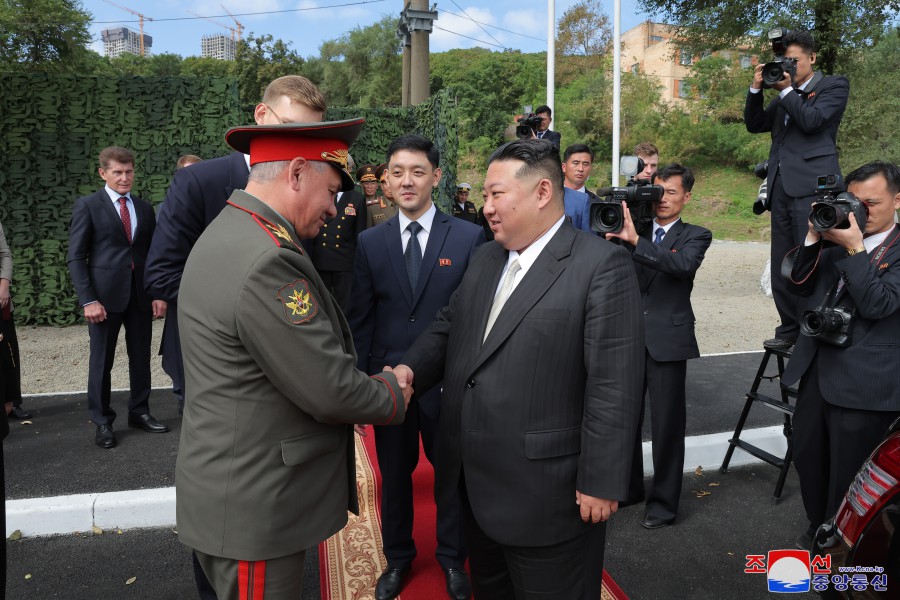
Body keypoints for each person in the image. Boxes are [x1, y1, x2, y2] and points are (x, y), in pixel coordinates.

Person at [392, 138, 644, 598]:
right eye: (485, 196)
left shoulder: (600, 265)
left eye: (496, 194)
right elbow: (451, 325)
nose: (486, 207)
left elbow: (615, 384)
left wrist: (602, 480)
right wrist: (408, 371)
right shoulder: (487, 256)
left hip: (550, 495)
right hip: (476, 486)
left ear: (543, 192)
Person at [175, 119, 411, 600]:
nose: (333, 206)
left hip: (236, 493)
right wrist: (391, 392)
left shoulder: (236, 228)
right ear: (297, 173)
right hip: (255, 509)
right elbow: (328, 387)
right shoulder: (267, 258)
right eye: (329, 190)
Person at [347, 135, 484, 600]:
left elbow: (474, 316)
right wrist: (365, 384)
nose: (407, 181)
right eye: (398, 172)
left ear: (437, 177)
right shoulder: (369, 241)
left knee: (451, 477)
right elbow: (361, 318)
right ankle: (398, 560)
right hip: (389, 385)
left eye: (418, 171)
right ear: (386, 179)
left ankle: (452, 560)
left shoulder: (468, 236)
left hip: (448, 382)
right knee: (394, 477)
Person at [145, 75, 326, 414]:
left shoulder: (307, 185)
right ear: (261, 115)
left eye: (307, 134)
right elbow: (161, 275)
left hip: (286, 355)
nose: (294, 141)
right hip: (210, 355)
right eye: (287, 126)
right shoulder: (197, 181)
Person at [781, 161, 900, 549]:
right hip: (818, 370)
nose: (861, 211)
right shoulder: (839, 234)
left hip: (867, 380)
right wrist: (815, 235)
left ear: (897, 200)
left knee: (850, 472)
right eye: (855, 201)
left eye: (872, 202)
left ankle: (842, 541)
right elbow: (797, 285)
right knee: (807, 455)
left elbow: (878, 305)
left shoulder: (880, 247)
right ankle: (819, 524)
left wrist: (854, 248)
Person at [606, 164, 713, 529]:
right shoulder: (628, 227)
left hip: (667, 340)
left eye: (670, 192)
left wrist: (636, 242)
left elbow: (681, 266)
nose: (662, 199)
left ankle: (664, 505)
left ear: (687, 196)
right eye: (657, 191)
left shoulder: (696, 234)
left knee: (667, 426)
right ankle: (628, 489)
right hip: (628, 338)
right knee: (625, 423)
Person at [744, 29, 850, 350]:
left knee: (810, 261)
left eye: (793, 60)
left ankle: (812, 327)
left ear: (812, 58)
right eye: (781, 61)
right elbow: (754, 123)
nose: (786, 66)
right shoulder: (782, 96)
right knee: (782, 264)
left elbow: (812, 122)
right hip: (782, 190)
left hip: (815, 190)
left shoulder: (833, 85)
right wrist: (756, 87)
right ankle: (789, 328)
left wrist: (788, 90)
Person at [67, 146, 168, 449]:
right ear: (103, 173)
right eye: (117, 172)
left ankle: (139, 412)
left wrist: (157, 293)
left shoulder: (143, 207)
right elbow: (76, 257)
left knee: (140, 360)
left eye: (129, 172)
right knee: (102, 363)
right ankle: (102, 422)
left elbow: (152, 255)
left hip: (139, 297)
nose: (124, 178)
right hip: (103, 302)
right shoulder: (88, 206)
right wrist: (88, 300)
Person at [307, 173, 367, 312]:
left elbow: (359, 234)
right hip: (321, 259)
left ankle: (344, 333)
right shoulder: (319, 194)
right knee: (321, 302)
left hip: (345, 262)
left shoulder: (357, 198)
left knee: (344, 305)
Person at [0, 222, 29, 421]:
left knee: (8, 352)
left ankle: (12, 402)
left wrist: (4, 286)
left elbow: (5, 255)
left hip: (0, 303)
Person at [366, 163, 399, 228]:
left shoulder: (406, 205)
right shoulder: (372, 208)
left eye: (392, 183)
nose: (390, 187)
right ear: (381, 186)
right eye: (386, 183)